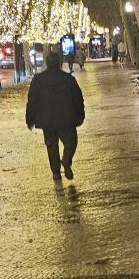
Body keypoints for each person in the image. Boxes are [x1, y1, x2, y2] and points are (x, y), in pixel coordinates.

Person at [25, 50, 86, 181]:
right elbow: (78, 98)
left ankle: (56, 172)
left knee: (51, 146)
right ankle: (66, 159)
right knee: (71, 142)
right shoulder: (68, 79)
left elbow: (32, 100)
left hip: (47, 120)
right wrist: (80, 115)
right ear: (59, 63)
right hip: (66, 118)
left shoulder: (38, 80)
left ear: (47, 63)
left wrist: (30, 119)